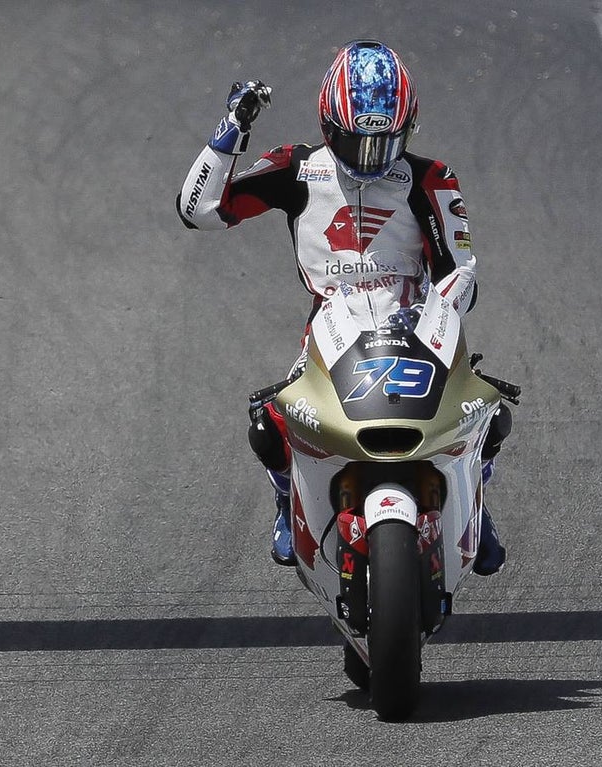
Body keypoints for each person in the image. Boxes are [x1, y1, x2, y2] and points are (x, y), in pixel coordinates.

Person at [176, 40, 507, 575]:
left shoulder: (433, 177)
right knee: (268, 425)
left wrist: (439, 316)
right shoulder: (296, 167)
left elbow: (462, 270)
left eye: (386, 143)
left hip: (418, 326)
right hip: (331, 328)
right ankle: (288, 501)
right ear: (329, 124)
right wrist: (230, 130)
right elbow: (201, 211)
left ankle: (477, 501)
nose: (371, 159)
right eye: (359, 142)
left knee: (489, 417)